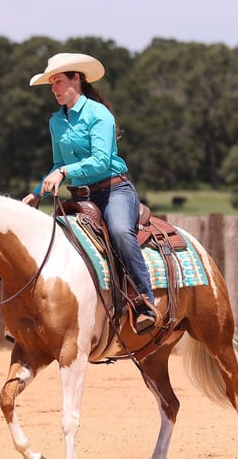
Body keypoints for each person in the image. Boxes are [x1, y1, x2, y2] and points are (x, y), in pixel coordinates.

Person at [22, 53, 160, 334]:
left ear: (77, 79)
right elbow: (58, 164)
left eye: (58, 81)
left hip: (113, 191)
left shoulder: (100, 115)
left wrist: (63, 173)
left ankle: (144, 301)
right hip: (80, 196)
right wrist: (37, 194)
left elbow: (100, 160)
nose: (54, 89)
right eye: (51, 84)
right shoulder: (56, 122)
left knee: (121, 232)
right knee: (49, 240)